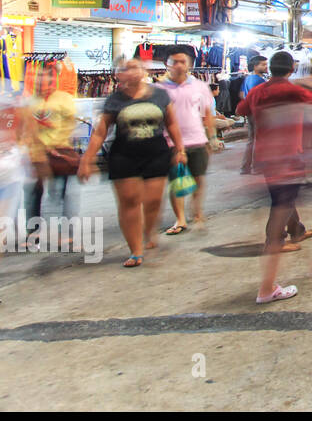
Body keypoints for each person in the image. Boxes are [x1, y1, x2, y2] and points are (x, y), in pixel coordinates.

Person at [79, 58, 187, 267]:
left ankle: (148, 231)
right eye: (125, 69)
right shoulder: (115, 99)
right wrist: (87, 159)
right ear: (119, 75)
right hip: (124, 154)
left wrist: (180, 149)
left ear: (143, 71)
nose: (131, 72)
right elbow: (101, 131)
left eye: (135, 67)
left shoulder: (160, 94)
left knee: (154, 200)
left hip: (156, 153)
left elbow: (171, 123)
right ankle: (135, 250)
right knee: (129, 201)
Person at [236, 51, 312, 304]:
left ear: (269, 68)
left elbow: (240, 109)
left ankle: (295, 232)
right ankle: (267, 285)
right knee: (280, 208)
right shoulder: (293, 90)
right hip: (290, 158)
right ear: (291, 69)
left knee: (281, 202)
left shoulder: (258, 91)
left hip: (266, 158)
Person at [159, 46, 219, 234]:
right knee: (177, 181)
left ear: (189, 65)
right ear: (166, 64)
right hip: (170, 143)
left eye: (182, 61)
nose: (178, 65)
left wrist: (212, 137)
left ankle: (197, 212)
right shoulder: (158, 89)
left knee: (198, 179)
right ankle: (180, 219)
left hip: (197, 140)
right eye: (174, 62)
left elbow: (206, 114)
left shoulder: (199, 86)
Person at [26, 65, 78, 247]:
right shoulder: (30, 101)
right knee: (33, 193)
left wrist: (56, 145)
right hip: (37, 155)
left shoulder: (64, 99)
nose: (41, 82)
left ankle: (66, 233)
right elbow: (26, 129)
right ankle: (33, 233)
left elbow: (69, 126)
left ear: (53, 80)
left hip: (60, 152)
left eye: (45, 78)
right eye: (38, 78)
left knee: (60, 193)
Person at [239, 55, 269, 174]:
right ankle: (257, 167)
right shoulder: (258, 80)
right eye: (263, 64)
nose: (266, 66)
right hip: (258, 112)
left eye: (266, 64)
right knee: (259, 139)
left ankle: (245, 167)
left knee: (251, 140)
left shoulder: (248, 78)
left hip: (250, 112)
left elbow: (242, 94)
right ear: (256, 66)